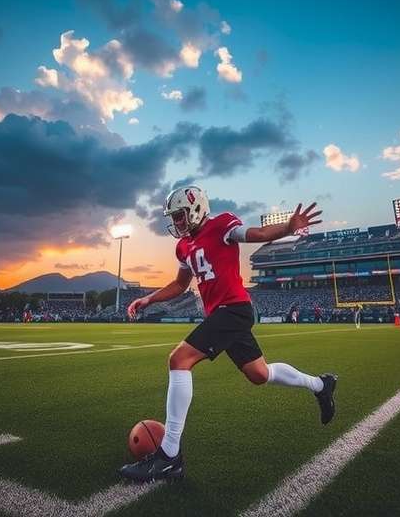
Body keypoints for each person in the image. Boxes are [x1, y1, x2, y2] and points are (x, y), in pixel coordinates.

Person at [119, 186, 336, 482]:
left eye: (181, 216)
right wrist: (148, 298)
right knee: (259, 374)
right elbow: (180, 284)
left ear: (196, 209)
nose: (178, 223)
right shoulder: (183, 247)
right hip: (222, 314)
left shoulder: (221, 225)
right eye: (175, 218)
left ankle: (169, 456)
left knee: (179, 359)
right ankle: (320, 385)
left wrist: (287, 227)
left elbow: (256, 234)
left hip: (233, 308)